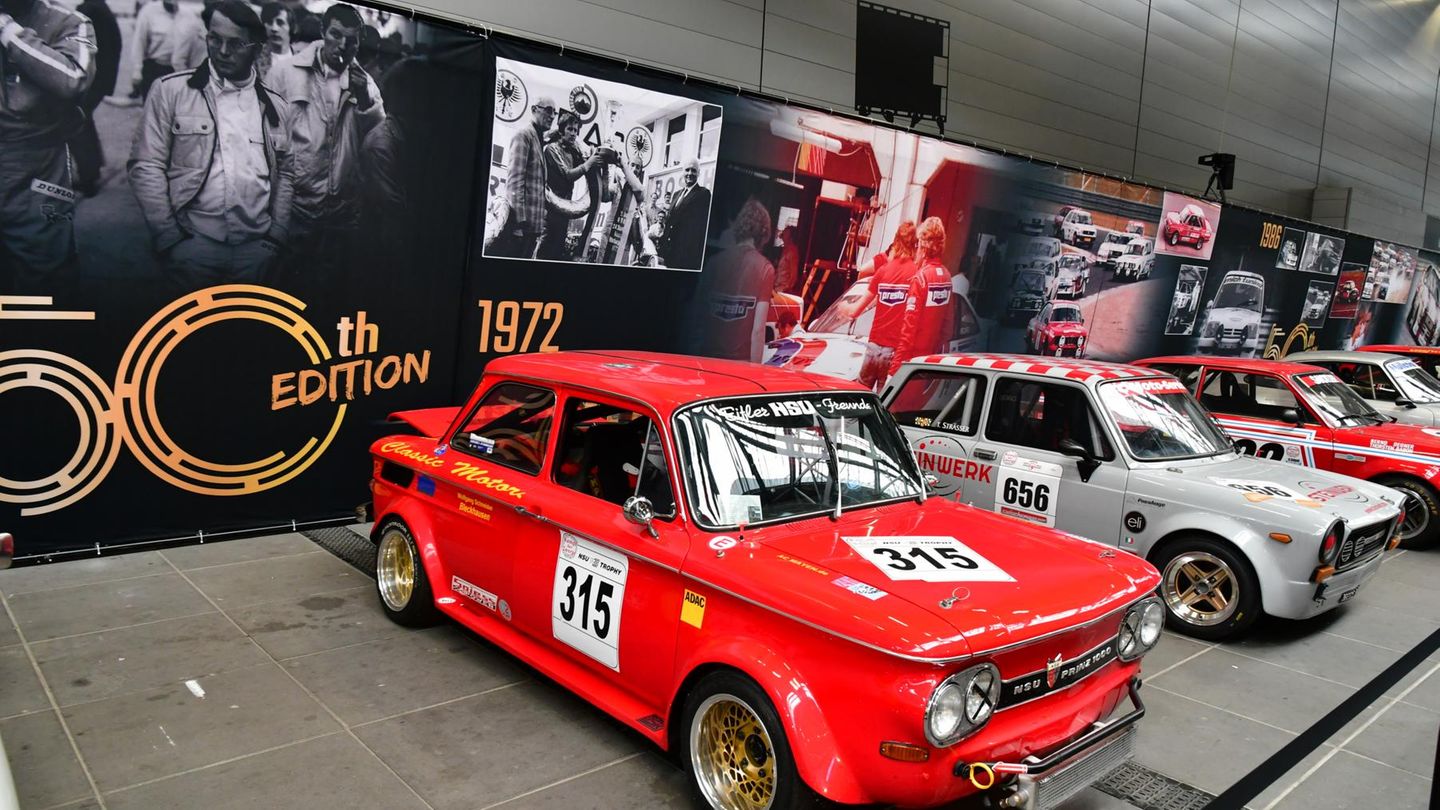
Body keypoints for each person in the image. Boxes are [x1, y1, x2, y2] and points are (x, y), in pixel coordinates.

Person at [128, 0, 292, 288]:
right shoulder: (170, 92)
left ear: (256, 48)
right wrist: (170, 239)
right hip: (193, 247)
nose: (223, 52)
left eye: (236, 44)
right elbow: (146, 164)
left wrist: (275, 237)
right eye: (214, 39)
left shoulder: (276, 107)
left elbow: (287, 173)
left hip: (256, 252)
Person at [264, 2, 383, 263]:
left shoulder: (364, 82)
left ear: (358, 44)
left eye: (351, 41)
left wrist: (364, 99)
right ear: (323, 31)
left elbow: (377, 139)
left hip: (342, 210)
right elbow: (267, 139)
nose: (342, 45)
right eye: (335, 35)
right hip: (295, 207)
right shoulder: (284, 73)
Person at [0, 0, 96, 293]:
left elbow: (73, 79)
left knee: (46, 279)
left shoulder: (70, 22)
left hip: (37, 168)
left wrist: (9, 31)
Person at [701, 198, 775, 362]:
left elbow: (698, 316)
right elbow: (758, 331)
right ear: (764, 232)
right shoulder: (765, 269)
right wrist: (755, 371)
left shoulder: (714, 262)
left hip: (706, 359)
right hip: (738, 365)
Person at [486, 95, 554, 258]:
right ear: (534, 110)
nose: (552, 116)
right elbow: (514, 183)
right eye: (549, 110)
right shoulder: (524, 136)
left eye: (555, 113)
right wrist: (518, 225)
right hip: (520, 230)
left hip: (531, 230)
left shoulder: (537, 139)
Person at [887, 216, 953, 378]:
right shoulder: (946, 276)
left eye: (917, 245)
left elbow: (908, 331)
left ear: (922, 247)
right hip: (928, 362)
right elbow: (947, 328)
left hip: (909, 365)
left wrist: (894, 371)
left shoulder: (921, 279)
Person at [70, 0, 120, 196]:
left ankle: (88, 177)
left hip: (90, 81)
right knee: (84, 121)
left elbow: (78, 48)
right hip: (101, 81)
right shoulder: (101, 7)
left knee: (76, 124)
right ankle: (93, 169)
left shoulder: (88, 10)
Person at [536, 108, 599, 260]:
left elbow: (584, 169)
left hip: (564, 214)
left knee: (556, 254)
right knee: (543, 251)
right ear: (562, 130)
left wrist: (592, 153)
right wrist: (590, 162)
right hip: (549, 212)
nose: (573, 133)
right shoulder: (551, 149)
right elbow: (568, 175)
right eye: (570, 129)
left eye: (576, 131)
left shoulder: (574, 152)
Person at [129, 0, 187, 98]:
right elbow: (139, 42)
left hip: (178, 71)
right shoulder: (149, 12)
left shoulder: (187, 14)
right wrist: (137, 71)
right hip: (154, 70)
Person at [659, 160, 710, 269]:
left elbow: (699, 229)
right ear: (683, 172)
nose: (690, 173)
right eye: (687, 170)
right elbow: (670, 223)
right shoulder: (676, 194)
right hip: (668, 254)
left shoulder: (703, 194)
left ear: (698, 173)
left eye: (693, 170)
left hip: (685, 257)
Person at [257, 2, 291, 77]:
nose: (274, 28)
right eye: (269, 22)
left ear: (291, 27)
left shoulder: (301, 57)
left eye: (280, 23)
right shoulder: (255, 59)